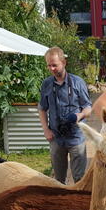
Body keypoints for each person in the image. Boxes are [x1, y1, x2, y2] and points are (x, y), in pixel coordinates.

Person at [38, 47, 93, 184]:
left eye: (55, 65)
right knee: (58, 180)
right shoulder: (47, 84)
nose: (52, 69)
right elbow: (42, 109)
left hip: (76, 137)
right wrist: (46, 129)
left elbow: (88, 107)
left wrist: (79, 116)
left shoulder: (77, 82)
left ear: (64, 62)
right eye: (49, 65)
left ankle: (78, 204)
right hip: (56, 138)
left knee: (79, 178)